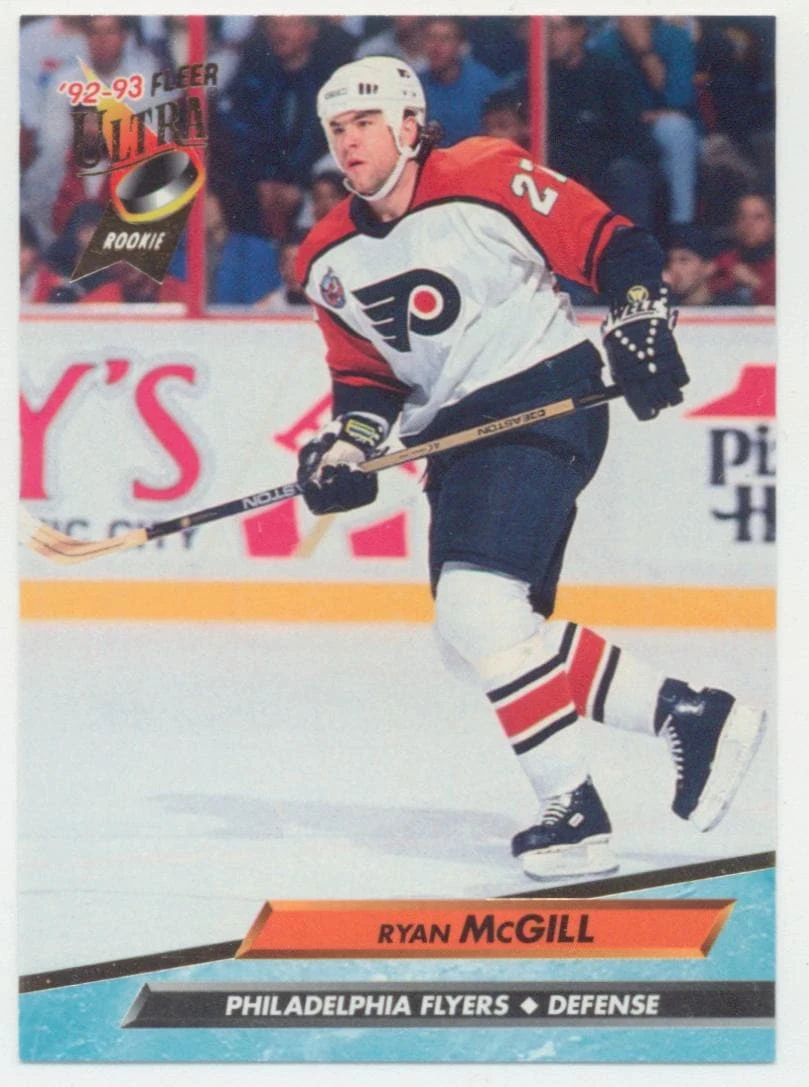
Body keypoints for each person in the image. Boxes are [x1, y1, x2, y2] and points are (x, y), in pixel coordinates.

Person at [293, 57, 766, 880]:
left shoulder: (484, 171)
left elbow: (613, 242)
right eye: (337, 128)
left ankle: (572, 811)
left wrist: (639, 314)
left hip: (541, 396)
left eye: (365, 122)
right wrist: (346, 445)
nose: (349, 141)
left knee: (476, 607)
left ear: (409, 125)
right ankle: (688, 714)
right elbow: (368, 378)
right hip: (451, 440)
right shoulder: (326, 255)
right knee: (471, 637)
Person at [592, 17, 700, 227]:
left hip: (663, 125)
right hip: (621, 127)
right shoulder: (604, 43)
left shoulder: (675, 37)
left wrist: (644, 51)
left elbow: (678, 99)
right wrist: (634, 115)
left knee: (675, 129)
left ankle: (682, 224)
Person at [420, 17, 504, 147]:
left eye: (445, 39)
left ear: (460, 45)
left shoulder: (485, 83)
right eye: (431, 38)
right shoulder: (416, 85)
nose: (436, 47)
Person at [710, 193, 775, 306]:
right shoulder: (723, 263)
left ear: (774, 225)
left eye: (758, 217)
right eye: (742, 217)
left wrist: (756, 284)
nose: (749, 224)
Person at [664, 226, 747, 306]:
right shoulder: (662, 306)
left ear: (707, 267)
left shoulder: (732, 307)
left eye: (684, 260)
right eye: (670, 261)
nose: (674, 268)